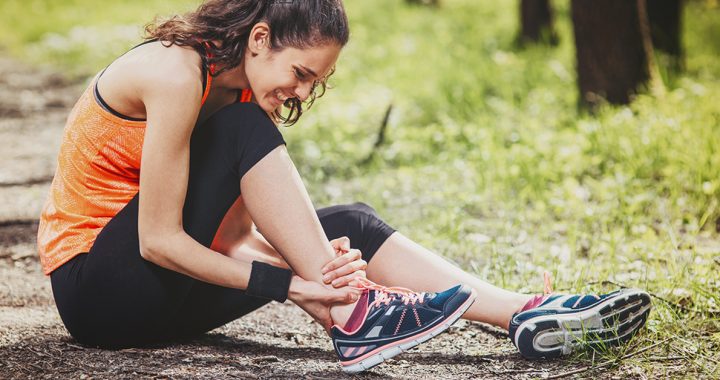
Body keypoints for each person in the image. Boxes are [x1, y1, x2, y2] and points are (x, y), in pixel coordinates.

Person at [37, 0, 652, 374]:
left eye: (316, 82)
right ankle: (356, 318)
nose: (303, 93)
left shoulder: (242, 93)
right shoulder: (175, 73)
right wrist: (296, 283)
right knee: (248, 134)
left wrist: (324, 275)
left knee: (349, 226)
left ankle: (521, 313)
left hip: (160, 298)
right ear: (258, 39)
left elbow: (229, 240)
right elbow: (160, 242)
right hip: (99, 293)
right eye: (301, 73)